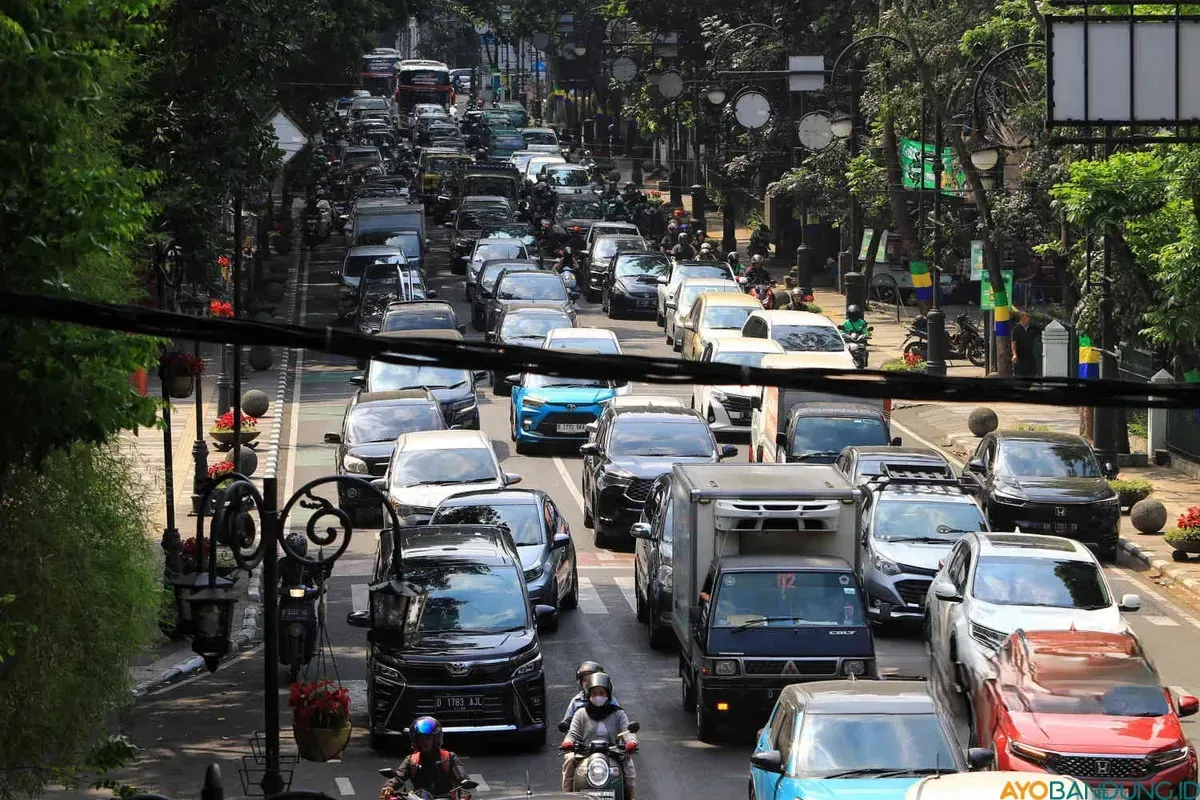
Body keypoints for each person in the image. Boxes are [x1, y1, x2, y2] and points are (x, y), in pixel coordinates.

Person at [561, 674, 638, 799]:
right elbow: (572, 733)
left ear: (608, 695)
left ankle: (632, 797)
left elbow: (627, 730)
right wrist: (568, 742)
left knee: (628, 764)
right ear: (588, 695)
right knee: (569, 759)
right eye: (594, 693)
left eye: (602, 693)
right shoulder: (581, 713)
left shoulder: (618, 713)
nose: (598, 696)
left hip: (613, 752)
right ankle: (567, 795)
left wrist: (631, 742)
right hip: (584, 753)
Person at [380, 717, 470, 799]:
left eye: (428, 737)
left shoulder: (449, 758)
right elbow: (399, 777)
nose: (424, 741)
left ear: (436, 738)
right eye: (420, 738)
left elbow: (462, 780)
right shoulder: (412, 759)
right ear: (415, 740)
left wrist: (464, 795)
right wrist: (389, 786)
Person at [559, 660, 620, 727]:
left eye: (592, 679)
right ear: (580, 683)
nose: (588, 683)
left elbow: (620, 718)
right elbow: (568, 719)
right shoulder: (576, 701)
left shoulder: (610, 699)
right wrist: (566, 724)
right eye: (585, 680)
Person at [1010, 308, 1040, 378]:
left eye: (1030, 317)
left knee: (1032, 375)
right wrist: (1014, 354)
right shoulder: (1016, 329)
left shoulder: (1034, 328)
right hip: (1020, 356)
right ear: (1022, 317)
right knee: (1020, 376)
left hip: (1030, 356)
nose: (1029, 318)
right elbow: (1013, 342)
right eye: (1027, 317)